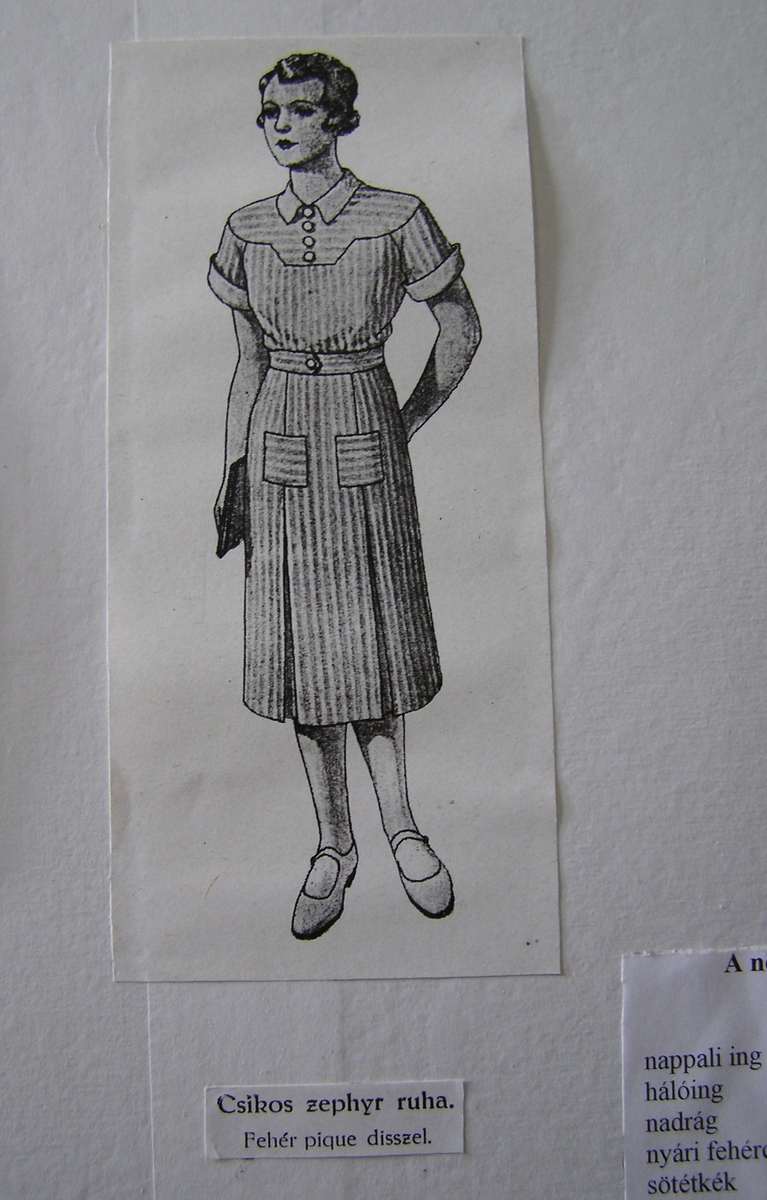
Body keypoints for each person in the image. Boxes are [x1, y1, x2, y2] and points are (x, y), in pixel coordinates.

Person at [209, 52, 480, 940]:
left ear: (339, 120)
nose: (283, 126)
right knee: (305, 659)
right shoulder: (246, 228)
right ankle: (334, 845)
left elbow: (461, 326)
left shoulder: (395, 216)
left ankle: (404, 830)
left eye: (302, 109)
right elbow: (248, 362)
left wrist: (407, 421)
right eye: (271, 112)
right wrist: (233, 468)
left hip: (367, 433)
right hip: (278, 445)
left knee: (374, 648)